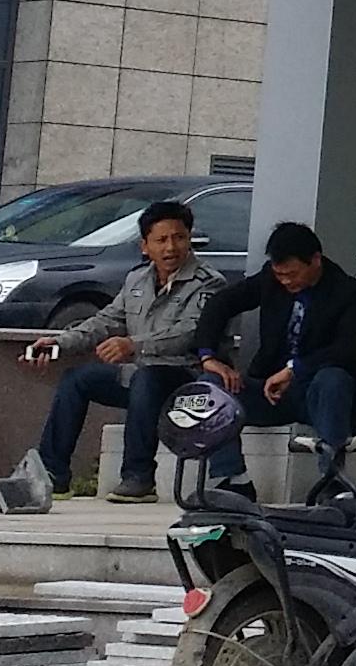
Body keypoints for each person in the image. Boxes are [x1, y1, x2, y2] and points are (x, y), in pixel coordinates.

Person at [16, 195, 231, 502]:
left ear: (190, 239)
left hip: (186, 377)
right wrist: (59, 343)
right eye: (161, 240)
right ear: (145, 246)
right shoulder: (136, 280)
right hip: (141, 374)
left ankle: (138, 477)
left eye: (179, 238)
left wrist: (132, 345)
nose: (171, 248)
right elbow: (105, 321)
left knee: (147, 378)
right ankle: (54, 474)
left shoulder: (209, 283)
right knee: (77, 380)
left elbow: (190, 333)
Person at [195, 221, 356, 484]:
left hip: (317, 392)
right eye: (280, 275)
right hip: (270, 389)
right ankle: (232, 479)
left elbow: (347, 348)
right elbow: (221, 303)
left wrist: (293, 370)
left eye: (292, 273)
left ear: (315, 260)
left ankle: (333, 482)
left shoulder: (348, 291)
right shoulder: (271, 279)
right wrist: (209, 356)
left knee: (334, 379)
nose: (286, 281)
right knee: (211, 386)